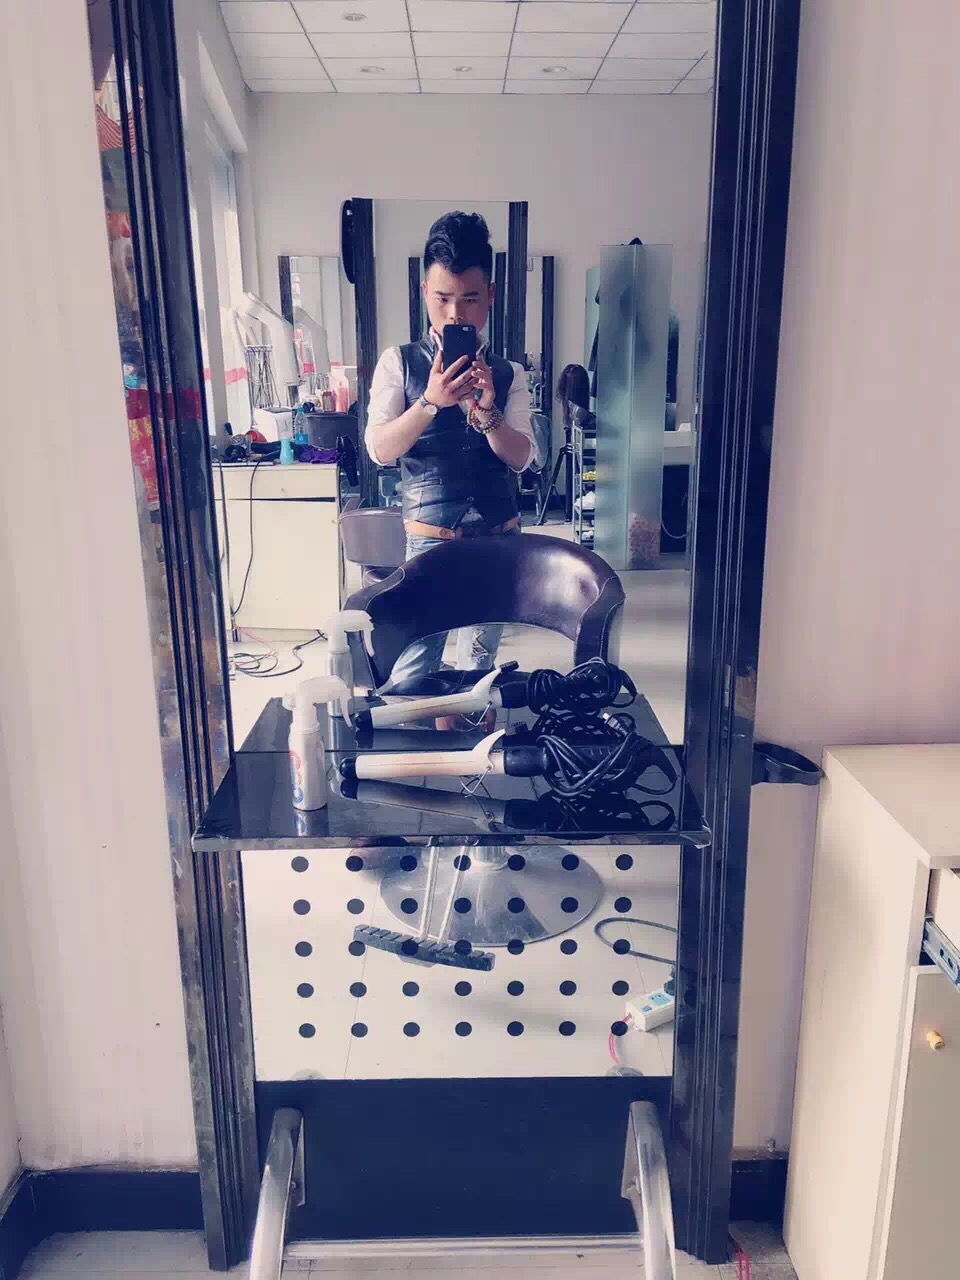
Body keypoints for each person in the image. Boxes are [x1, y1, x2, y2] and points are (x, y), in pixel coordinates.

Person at [365, 211, 538, 687]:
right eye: (442, 299)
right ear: (425, 292)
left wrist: (486, 412)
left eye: (469, 299)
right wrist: (429, 402)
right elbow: (379, 449)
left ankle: (469, 740)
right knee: (412, 674)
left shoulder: (509, 373)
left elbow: (523, 458)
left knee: (479, 676)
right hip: (428, 540)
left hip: (497, 536)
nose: (455, 314)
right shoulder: (398, 363)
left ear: (491, 297)